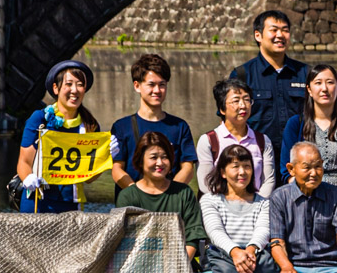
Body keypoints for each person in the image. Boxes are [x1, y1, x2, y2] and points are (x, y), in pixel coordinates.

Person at [199, 144, 280, 273]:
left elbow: (262, 230)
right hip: (223, 267)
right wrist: (235, 252)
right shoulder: (210, 200)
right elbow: (215, 231)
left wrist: (250, 251)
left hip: (255, 262)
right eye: (235, 166)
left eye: (247, 166)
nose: (242, 172)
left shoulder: (263, 202)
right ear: (223, 172)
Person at [15, 60, 103, 214]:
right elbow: (24, 161)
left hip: (71, 203)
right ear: (56, 88)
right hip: (38, 201)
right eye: (69, 84)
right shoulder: (40, 119)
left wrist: (104, 157)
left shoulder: (90, 126)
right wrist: (28, 177)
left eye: (80, 84)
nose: (74, 90)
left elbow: (89, 178)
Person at [265, 142, 337, 273]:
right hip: (295, 267)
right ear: (291, 169)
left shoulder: (336, 194)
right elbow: (277, 241)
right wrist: (286, 267)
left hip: (330, 268)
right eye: (306, 167)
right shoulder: (279, 197)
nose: (313, 173)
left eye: (318, 166)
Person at [280, 64, 337, 201]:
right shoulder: (296, 124)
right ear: (309, 89)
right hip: (303, 198)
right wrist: (305, 197)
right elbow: (287, 170)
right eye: (318, 83)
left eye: (330, 82)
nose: (324, 89)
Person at [109, 53, 195, 191]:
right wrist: (138, 194)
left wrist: (168, 194)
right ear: (137, 86)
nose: (157, 90)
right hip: (131, 203)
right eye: (151, 84)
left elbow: (188, 168)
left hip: (169, 206)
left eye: (162, 85)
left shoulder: (179, 126)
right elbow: (116, 168)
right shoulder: (121, 127)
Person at [231, 9, 309, 161]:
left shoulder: (306, 73)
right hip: (256, 159)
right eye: (274, 30)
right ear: (258, 35)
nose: (280, 35)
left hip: (299, 160)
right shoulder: (242, 75)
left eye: (285, 30)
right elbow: (229, 121)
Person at [115, 131, 207, 260]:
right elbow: (124, 242)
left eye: (165, 157)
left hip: (179, 263)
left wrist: (179, 265)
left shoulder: (184, 193)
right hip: (138, 265)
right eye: (153, 157)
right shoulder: (127, 196)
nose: (160, 163)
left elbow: (193, 236)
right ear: (140, 161)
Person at [196, 78, 277, 200]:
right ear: (222, 109)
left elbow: (268, 181)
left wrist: (255, 205)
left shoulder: (263, 141)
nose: (243, 105)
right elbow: (205, 184)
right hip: (219, 209)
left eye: (246, 99)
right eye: (236, 101)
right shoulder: (208, 141)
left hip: (255, 209)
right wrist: (227, 207)